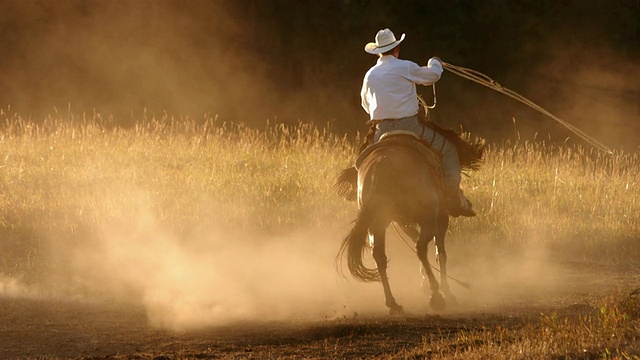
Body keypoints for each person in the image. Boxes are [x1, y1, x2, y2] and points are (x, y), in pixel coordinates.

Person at [360, 28, 475, 217]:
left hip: (380, 130)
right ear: (396, 49)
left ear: (378, 51)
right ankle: (452, 196)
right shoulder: (404, 66)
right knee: (448, 150)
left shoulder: (369, 75)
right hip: (409, 126)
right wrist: (435, 62)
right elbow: (432, 76)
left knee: (362, 161)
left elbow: (365, 104)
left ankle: (358, 194)